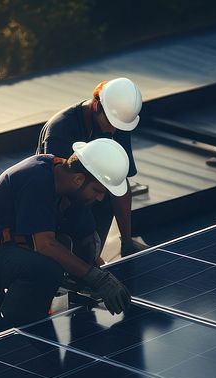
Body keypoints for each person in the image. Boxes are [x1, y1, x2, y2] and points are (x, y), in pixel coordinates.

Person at [0, 138, 132, 334]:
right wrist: (98, 278)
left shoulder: (64, 178)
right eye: (97, 191)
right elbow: (45, 245)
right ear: (78, 179)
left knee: (74, 250)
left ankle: (33, 314)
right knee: (47, 270)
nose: (100, 198)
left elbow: (85, 237)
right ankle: (5, 327)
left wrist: (97, 270)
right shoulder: (37, 179)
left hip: (14, 248)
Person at [37, 77, 149, 262]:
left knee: (92, 264)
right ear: (97, 106)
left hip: (96, 198)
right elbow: (63, 192)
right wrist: (90, 258)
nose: (114, 131)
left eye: (119, 126)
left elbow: (121, 182)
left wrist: (127, 240)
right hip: (62, 205)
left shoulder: (118, 120)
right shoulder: (61, 130)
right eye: (111, 124)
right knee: (80, 265)